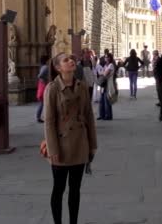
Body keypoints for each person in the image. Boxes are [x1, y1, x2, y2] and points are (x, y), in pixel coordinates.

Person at [44, 53, 97, 224]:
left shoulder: (82, 86)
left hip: (80, 144)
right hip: (61, 145)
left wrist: (93, 144)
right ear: (58, 68)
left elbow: (89, 115)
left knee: (75, 189)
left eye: (71, 59)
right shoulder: (52, 88)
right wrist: (52, 149)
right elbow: (49, 122)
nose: (71, 61)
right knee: (58, 189)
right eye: (66, 60)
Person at [97, 53, 115, 121]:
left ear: (110, 58)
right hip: (103, 84)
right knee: (101, 100)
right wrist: (102, 72)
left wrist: (102, 72)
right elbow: (101, 73)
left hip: (108, 84)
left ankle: (108, 115)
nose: (106, 58)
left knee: (107, 100)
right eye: (105, 57)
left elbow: (104, 73)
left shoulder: (111, 65)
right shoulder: (105, 65)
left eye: (107, 57)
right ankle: (102, 115)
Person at [36, 55, 50, 123]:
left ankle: (39, 116)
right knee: (43, 102)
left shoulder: (42, 67)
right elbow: (40, 75)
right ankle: (40, 117)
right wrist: (45, 80)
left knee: (42, 103)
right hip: (44, 86)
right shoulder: (46, 67)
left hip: (42, 85)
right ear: (46, 60)